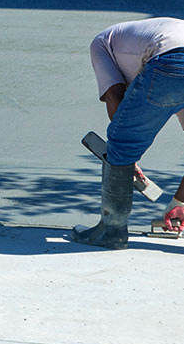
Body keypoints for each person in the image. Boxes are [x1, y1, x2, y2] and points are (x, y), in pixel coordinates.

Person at [72, 16, 184, 249]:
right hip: (169, 52)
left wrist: (124, 157)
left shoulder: (101, 43)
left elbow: (115, 99)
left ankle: (111, 232)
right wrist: (180, 201)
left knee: (121, 141)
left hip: (170, 58)